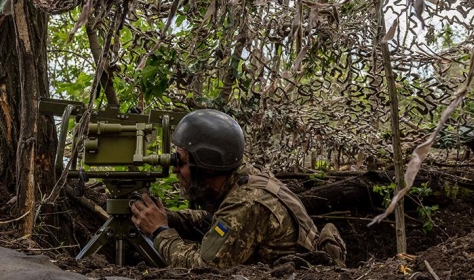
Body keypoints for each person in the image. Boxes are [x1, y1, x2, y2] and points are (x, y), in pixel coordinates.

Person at [130, 109, 346, 268]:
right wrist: (168, 217)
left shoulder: (246, 202)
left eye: (182, 161)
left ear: (205, 165)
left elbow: (203, 265)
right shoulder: (243, 176)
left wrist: (160, 231)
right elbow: (213, 220)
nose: (175, 169)